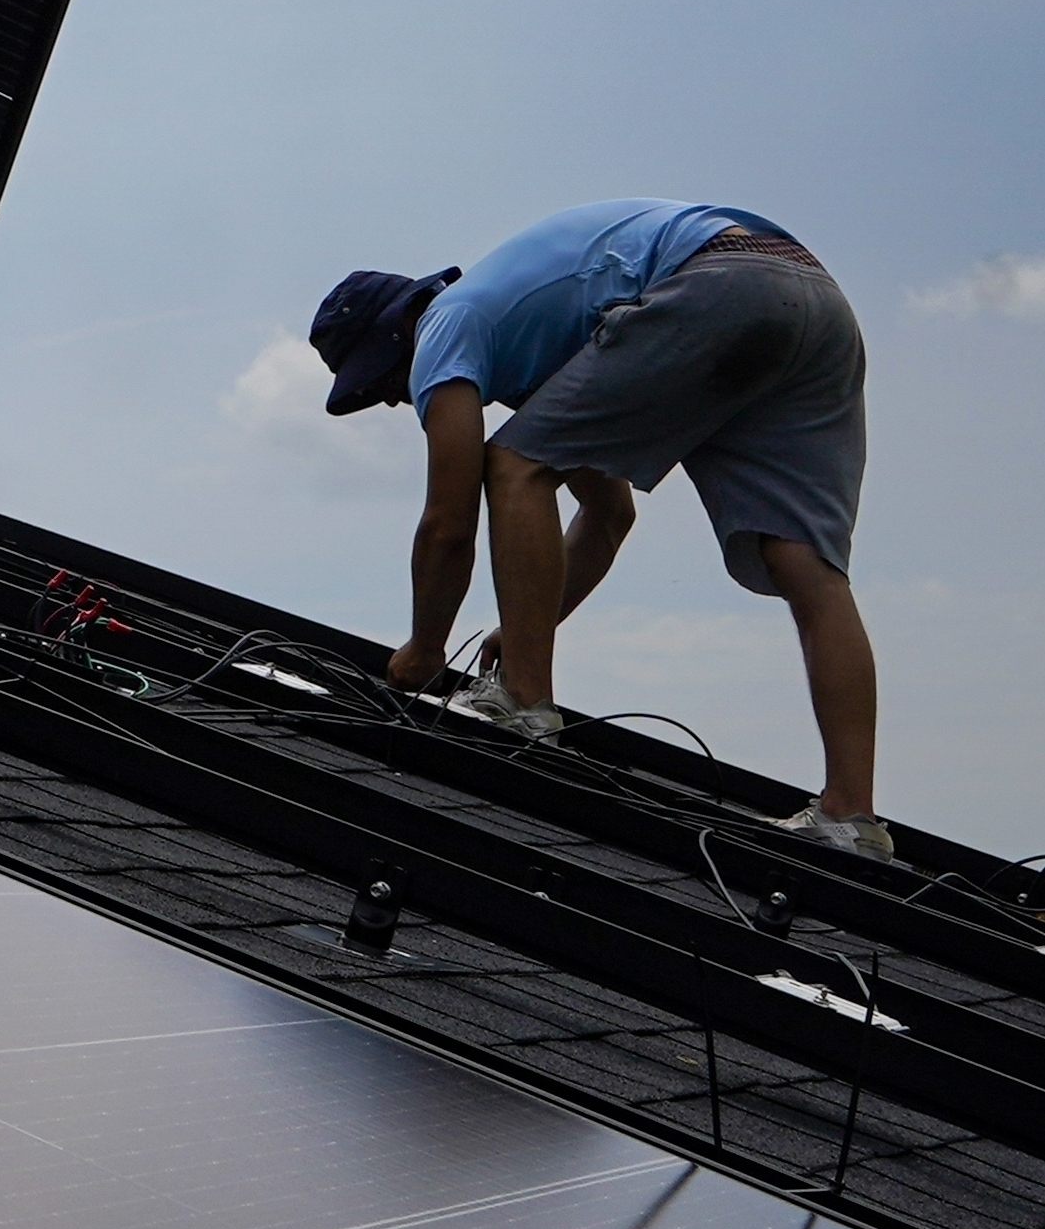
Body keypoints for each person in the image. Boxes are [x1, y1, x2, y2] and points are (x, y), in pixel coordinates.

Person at [305, 202, 886, 856]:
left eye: (385, 386)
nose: (399, 399)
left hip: (715, 279)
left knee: (512, 463)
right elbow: (609, 514)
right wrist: (525, 623)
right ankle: (849, 816)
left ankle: (524, 701)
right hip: (811, 296)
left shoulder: (445, 323)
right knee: (805, 564)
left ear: (393, 339)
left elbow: (447, 521)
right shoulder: (535, 342)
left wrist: (423, 648)